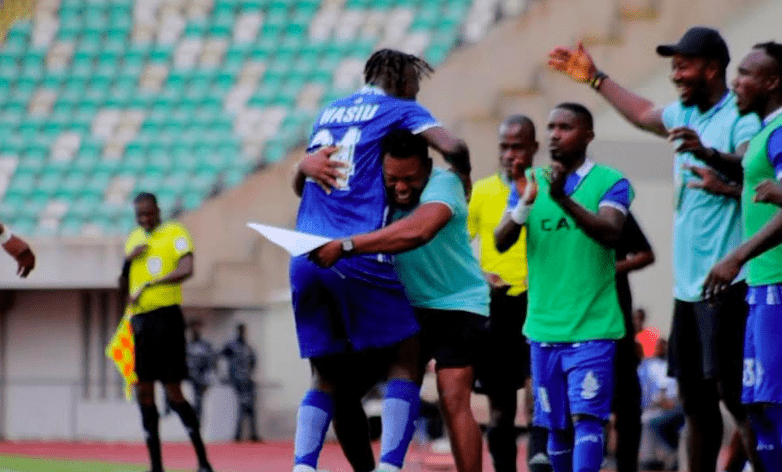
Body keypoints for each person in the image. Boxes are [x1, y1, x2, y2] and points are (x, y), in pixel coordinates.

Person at [548, 26, 763, 472]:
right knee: (695, 405)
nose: (676, 74)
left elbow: (748, 163)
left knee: (740, 404)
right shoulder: (684, 112)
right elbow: (643, 111)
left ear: (712, 68)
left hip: (729, 283)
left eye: (683, 65)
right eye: (673, 66)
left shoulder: (739, 116)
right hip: (688, 289)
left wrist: (710, 158)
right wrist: (595, 79)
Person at [290, 48, 471, 472]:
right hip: (355, 253)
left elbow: (304, 185)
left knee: (327, 376)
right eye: (416, 85)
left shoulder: (329, 113)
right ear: (406, 83)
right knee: (406, 355)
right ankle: (390, 466)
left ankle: (303, 465)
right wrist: (463, 174)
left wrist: (300, 164)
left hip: (304, 255)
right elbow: (454, 145)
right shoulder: (399, 108)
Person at [310, 129, 488, 472]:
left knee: (453, 398)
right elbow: (311, 194)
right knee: (341, 393)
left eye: (411, 179)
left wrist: (347, 245)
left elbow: (419, 231)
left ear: (428, 168)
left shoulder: (444, 184)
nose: (402, 188)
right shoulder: (370, 186)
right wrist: (302, 167)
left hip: (457, 304)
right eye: (393, 179)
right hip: (403, 307)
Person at [494, 103, 632, 472]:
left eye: (565, 127)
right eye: (551, 127)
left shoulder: (611, 181)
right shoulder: (530, 182)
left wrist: (563, 200)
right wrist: (525, 203)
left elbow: (611, 232)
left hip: (593, 327)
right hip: (542, 329)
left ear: (587, 134)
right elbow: (501, 239)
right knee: (553, 426)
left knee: (588, 420)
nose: (555, 134)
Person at [704, 41, 782, 471]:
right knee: (757, 406)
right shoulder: (764, 134)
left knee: (773, 405)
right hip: (761, 283)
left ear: (772, 82)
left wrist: (737, 256)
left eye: (748, 73)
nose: (737, 81)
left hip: (776, 281)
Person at [467, 114, 550, 472]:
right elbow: (455, 245)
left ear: (534, 148)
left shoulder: (549, 186)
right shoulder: (483, 191)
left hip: (542, 302)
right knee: (500, 409)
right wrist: (478, 273)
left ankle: (539, 460)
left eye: (518, 146)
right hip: (497, 308)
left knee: (537, 398)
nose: (510, 154)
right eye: (504, 146)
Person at [119, 192, 214, 472]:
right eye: (140, 216)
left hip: (168, 320)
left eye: (149, 213)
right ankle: (156, 466)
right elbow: (123, 289)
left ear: (158, 210)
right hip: (141, 323)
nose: (146, 219)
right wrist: (127, 261)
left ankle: (203, 461)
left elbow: (187, 268)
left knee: (174, 392)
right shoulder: (134, 239)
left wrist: (153, 283)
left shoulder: (175, 232)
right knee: (144, 392)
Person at [609, 212, 655, 472]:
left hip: (615, 322)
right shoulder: (546, 200)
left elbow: (646, 254)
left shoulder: (611, 199)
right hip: (568, 323)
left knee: (627, 407)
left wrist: (608, 269)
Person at [637, 338, 684, 471]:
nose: (661, 349)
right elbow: (652, 392)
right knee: (650, 421)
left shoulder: (673, 363)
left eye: (663, 346)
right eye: (658, 346)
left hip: (676, 406)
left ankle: (673, 454)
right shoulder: (649, 365)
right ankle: (663, 456)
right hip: (655, 407)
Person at [221, 323, 260, 442]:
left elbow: (253, 361)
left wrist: (250, 374)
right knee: (243, 406)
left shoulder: (247, 347)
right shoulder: (231, 346)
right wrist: (225, 375)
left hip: (247, 380)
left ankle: (252, 434)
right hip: (237, 381)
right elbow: (219, 357)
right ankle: (238, 435)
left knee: (250, 407)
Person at [186, 320, 215, 422]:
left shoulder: (206, 346)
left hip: (200, 379)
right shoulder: (186, 346)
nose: (195, 330)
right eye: (193, 327)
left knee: (199, 404)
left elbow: (211, 364)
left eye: (197, 327)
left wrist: (208, 379)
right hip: (187, 379)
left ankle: (197, 426)